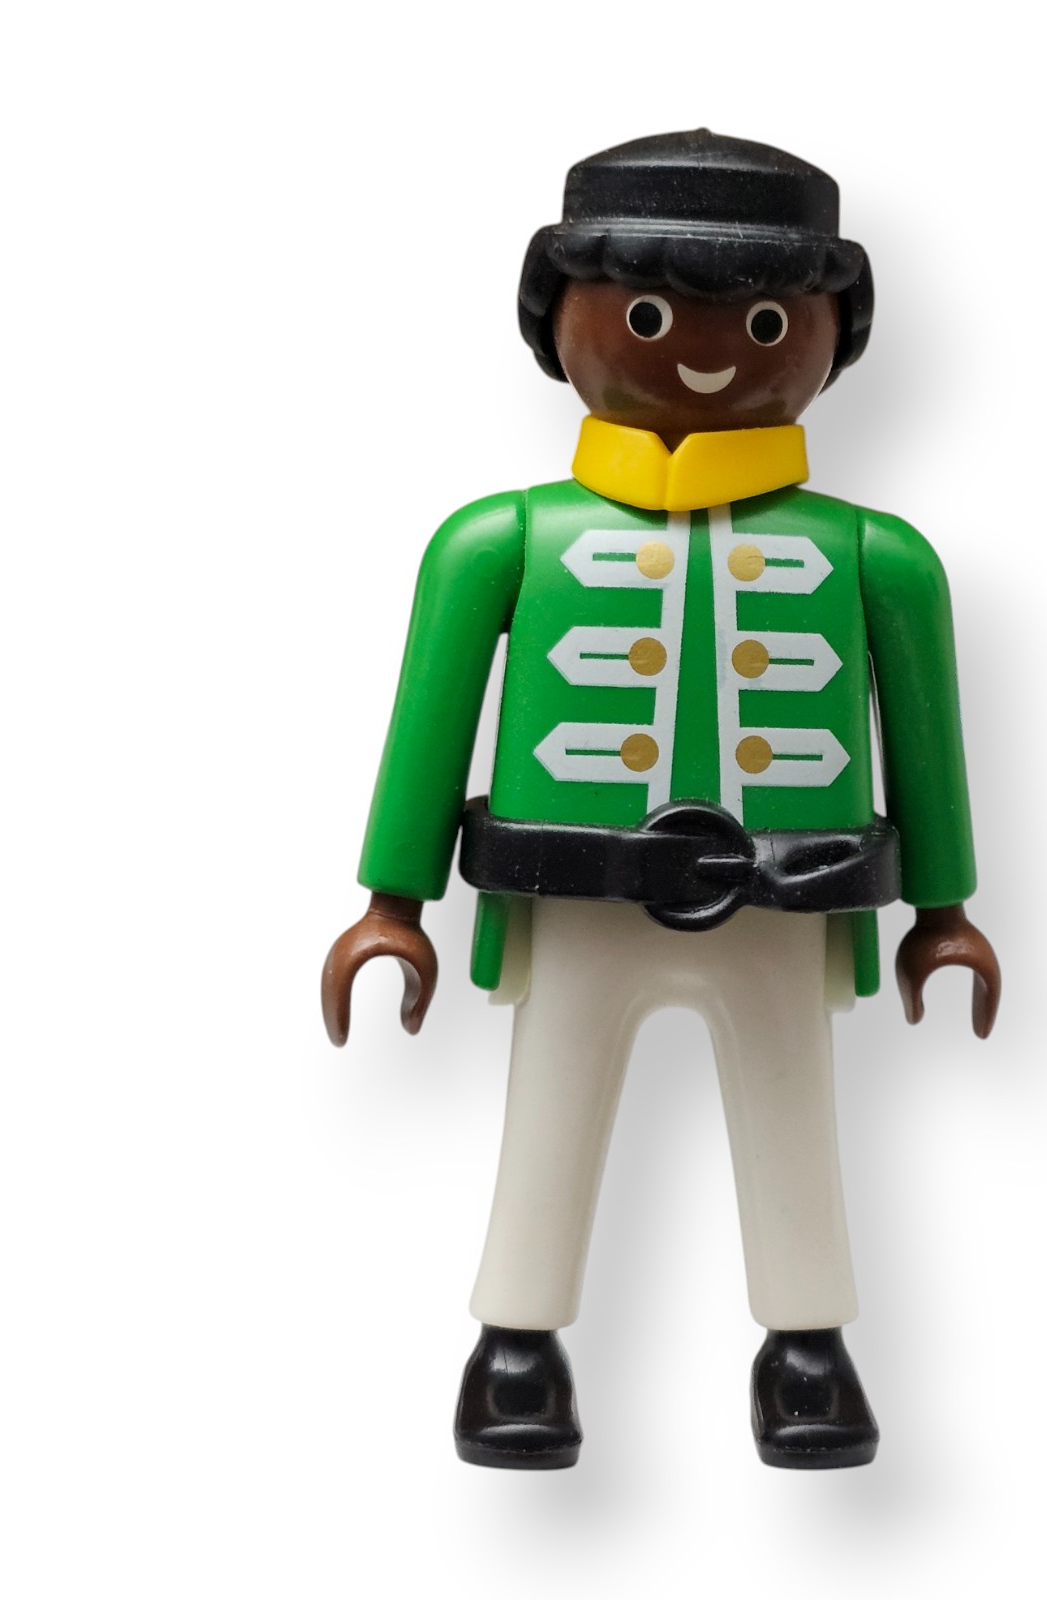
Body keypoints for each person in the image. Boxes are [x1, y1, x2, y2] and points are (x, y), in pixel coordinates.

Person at [322, 129, 1000, 1470]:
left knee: (791, 1107)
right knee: (552, 1101)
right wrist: (391, 902)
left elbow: (929, 743)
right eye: (644, 314)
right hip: (574, 884)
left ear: (829, 336)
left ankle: (806, 1349)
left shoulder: (877, 558)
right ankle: (518, 1344)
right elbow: (428, 724)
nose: (702, 352)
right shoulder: (503, 541)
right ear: (558, 321)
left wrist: (944, 912)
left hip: (787, 891)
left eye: (763, 320)